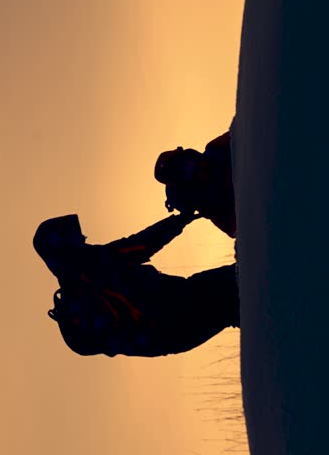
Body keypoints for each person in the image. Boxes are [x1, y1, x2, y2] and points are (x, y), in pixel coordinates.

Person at [33, 212, 239, 357]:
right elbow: (140, 245)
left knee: (237, 304)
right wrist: (179, 221)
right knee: (239, 284)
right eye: (76, 237)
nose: (84, 238)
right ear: (65, 245)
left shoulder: (78, 284)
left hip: (169, 336)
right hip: (177, 308)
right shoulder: (88, 266)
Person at [154, 118, 237, 239]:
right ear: (185, 185)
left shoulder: (216, 149)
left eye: (187, 162)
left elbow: (249, 129)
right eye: (185, 172)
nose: (195, 167)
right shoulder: (217, 211)